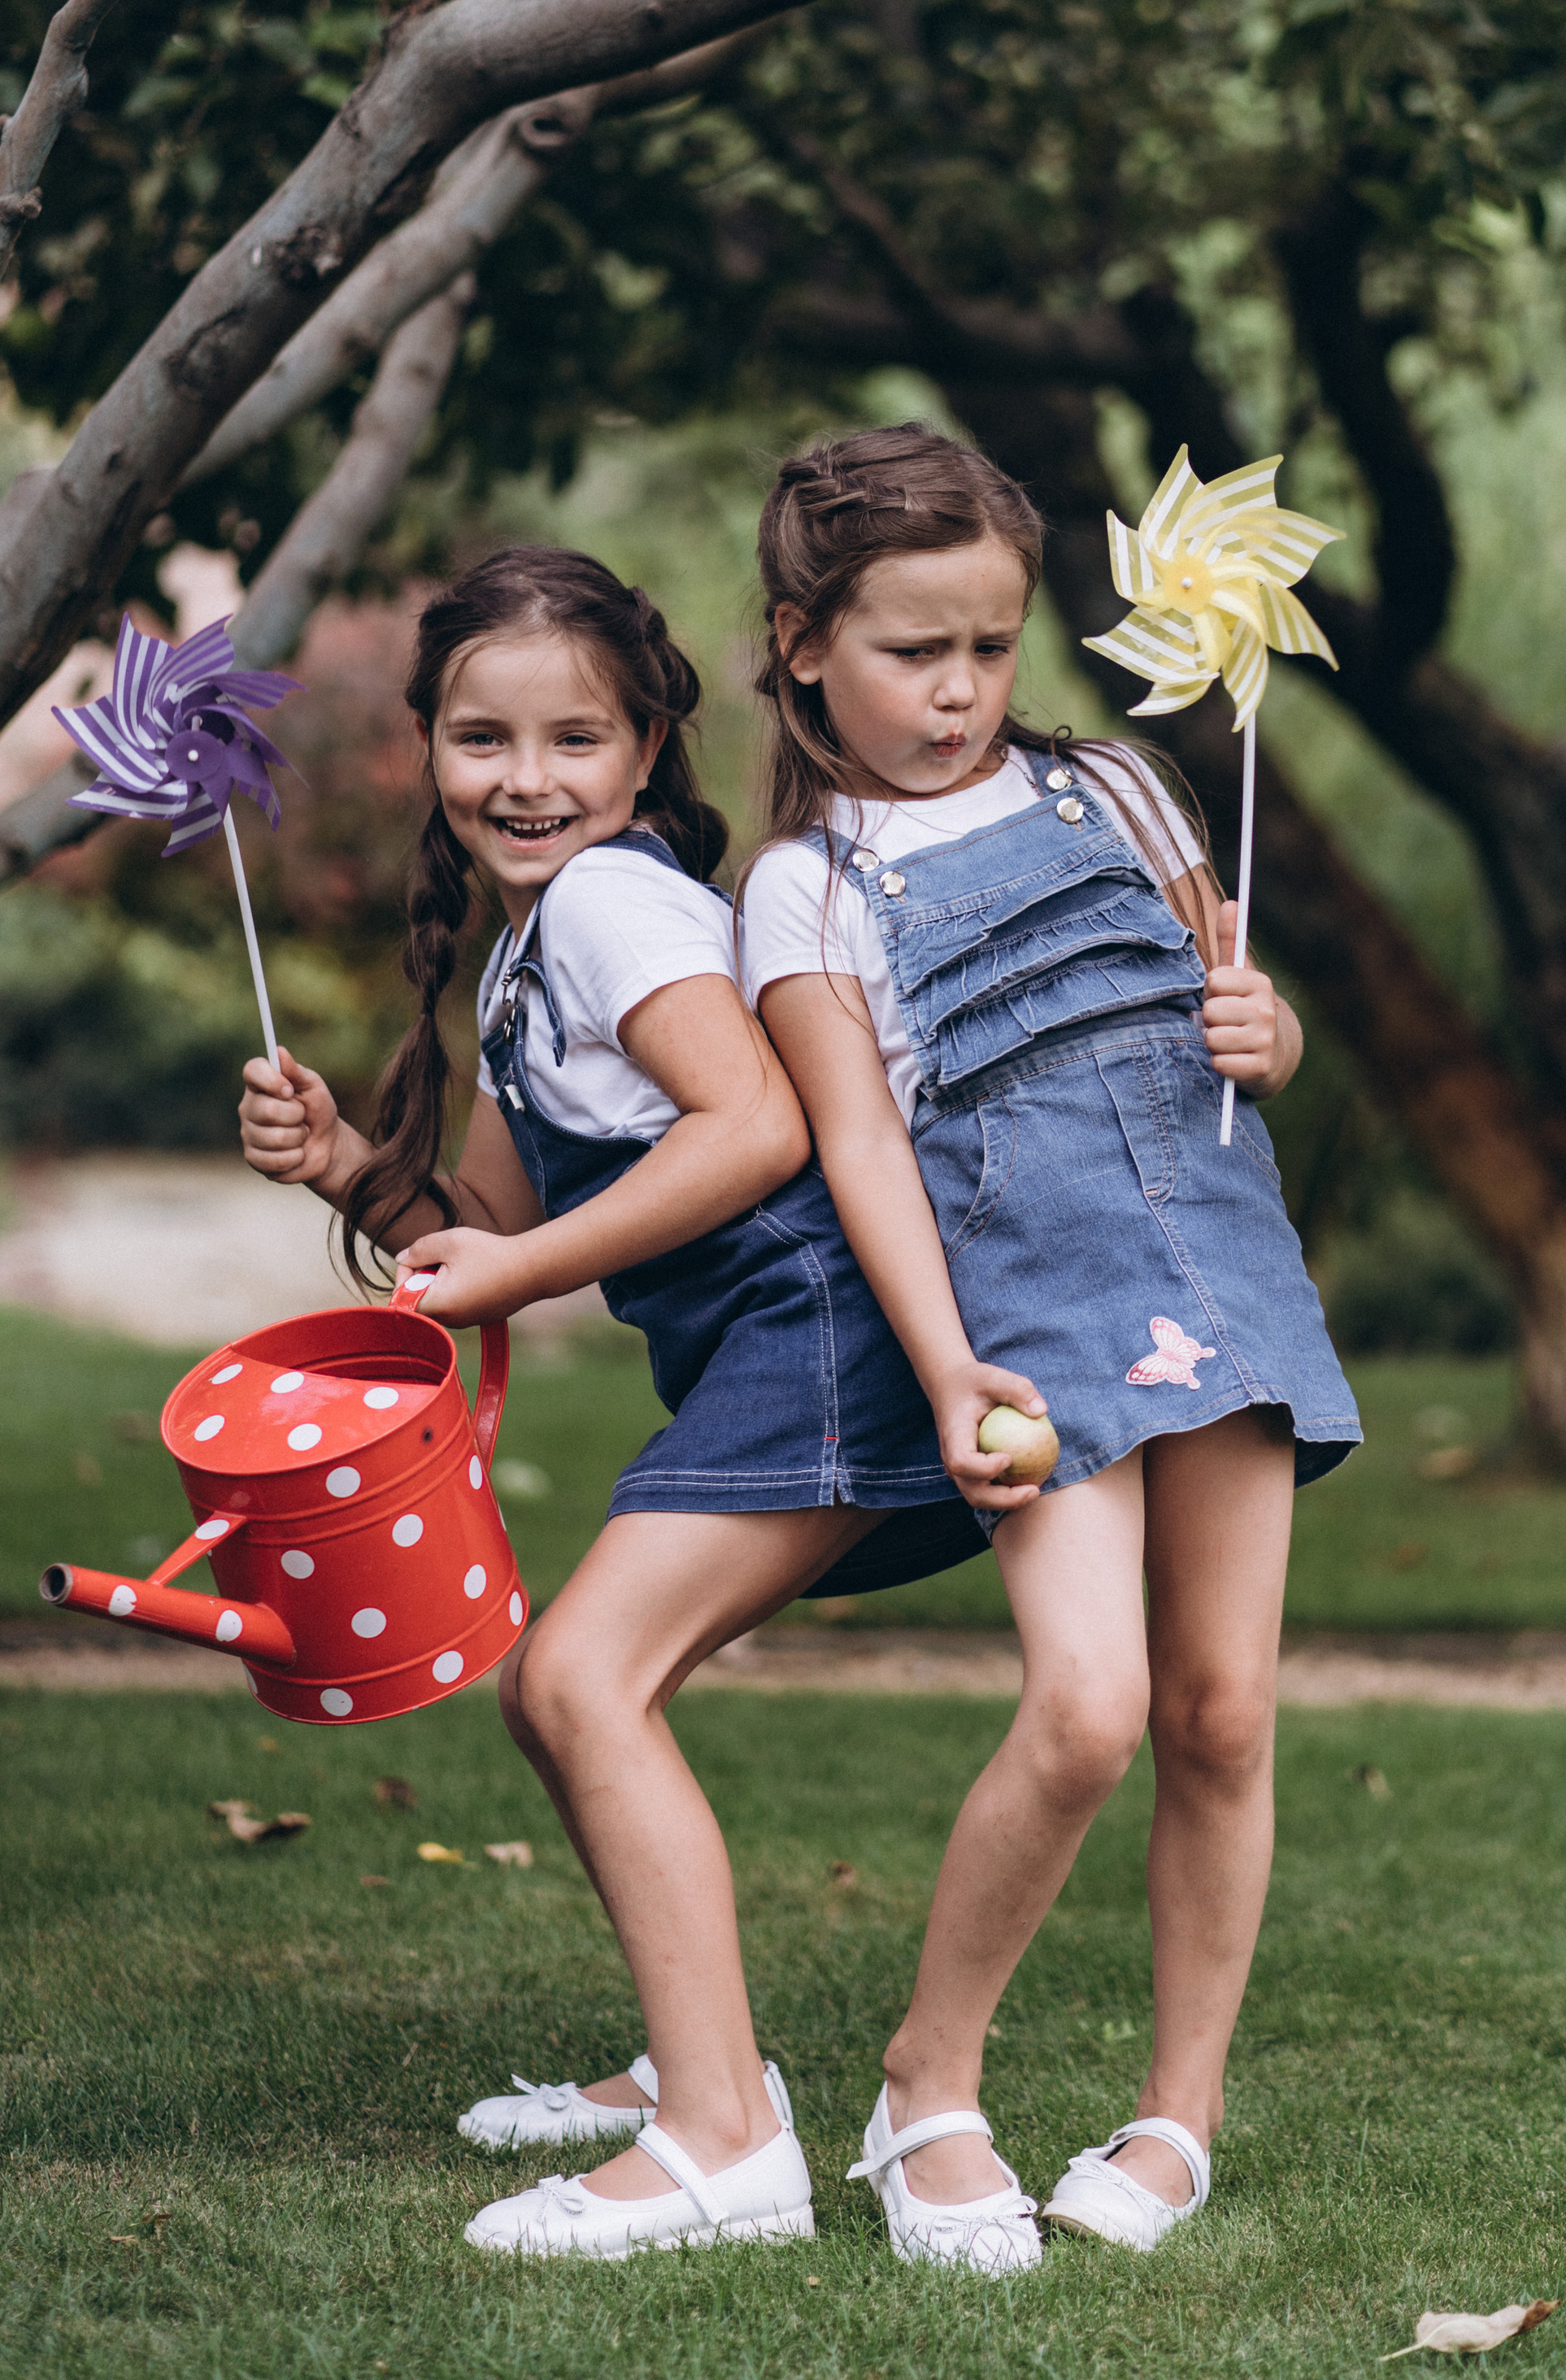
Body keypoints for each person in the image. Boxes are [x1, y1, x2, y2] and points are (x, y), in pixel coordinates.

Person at [237, 545, 983, 2262]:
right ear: (429, 745)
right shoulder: (535, 947)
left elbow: (756, 1133)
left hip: (823, 1326)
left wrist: (504, 1271)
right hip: (772, 1344)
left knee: (581, 1677)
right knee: (564, 1695)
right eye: (482, 737)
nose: (525, 777)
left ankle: (725, 2144)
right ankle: (697, 2080)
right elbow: (491, 1233)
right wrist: (349, 1167)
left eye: (573, 737)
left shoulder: (607, 904)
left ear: (647, 747)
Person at [738, 425, 1360, 2272]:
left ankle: (1179, 2114)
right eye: (910, 651)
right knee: (1088, 1707)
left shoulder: (1127, 786)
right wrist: (945, 1370)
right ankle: (929, 2075)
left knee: (1223, 1713)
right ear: (799, 646)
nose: (956, 691)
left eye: (989, 648)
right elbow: (862, 1148)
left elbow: (1231, 1014)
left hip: (1220, 1261)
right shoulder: (809, 885)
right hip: (1030, 1311)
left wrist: (1272, 1032)